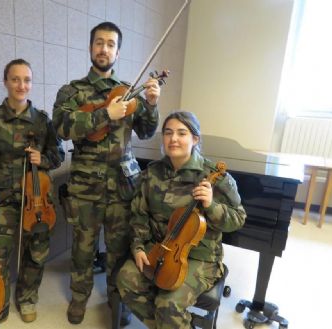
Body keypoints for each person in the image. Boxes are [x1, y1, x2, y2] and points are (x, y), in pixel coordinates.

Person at [52, 21, 162, 325]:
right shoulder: (71, 91)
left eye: (110, 44)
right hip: (85, 188)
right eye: (99, 43)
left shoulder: (130, 92)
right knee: (82, 249)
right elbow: (61, 129)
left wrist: (151, 104)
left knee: (118, 249)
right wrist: (105, 114)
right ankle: (78, 299)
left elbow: (147, 131)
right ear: (90, 47)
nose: (104, 49)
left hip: (122, 188)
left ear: (118, 51)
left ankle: (117, 299)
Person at [116, 111, 247, 329]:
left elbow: (238, 219)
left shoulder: (216, 176)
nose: (173, 139)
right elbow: (139, 215)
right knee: (125, 279)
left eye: (181, 133)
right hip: (159, 249)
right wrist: (138, 247)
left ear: (195, 139)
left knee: (168, 303)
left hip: (199, 257)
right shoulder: (152, 173)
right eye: (168, 133)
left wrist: (211, 206)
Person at [0, 59, 64, 324]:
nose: (21, 85)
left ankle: (27, 298)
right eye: (15, 79)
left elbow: (58, 153)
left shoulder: (41, 121)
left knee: (36, 253)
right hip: (1, 199)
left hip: (37, 200)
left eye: (27, 80)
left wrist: (45, 159)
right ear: (5, 81)